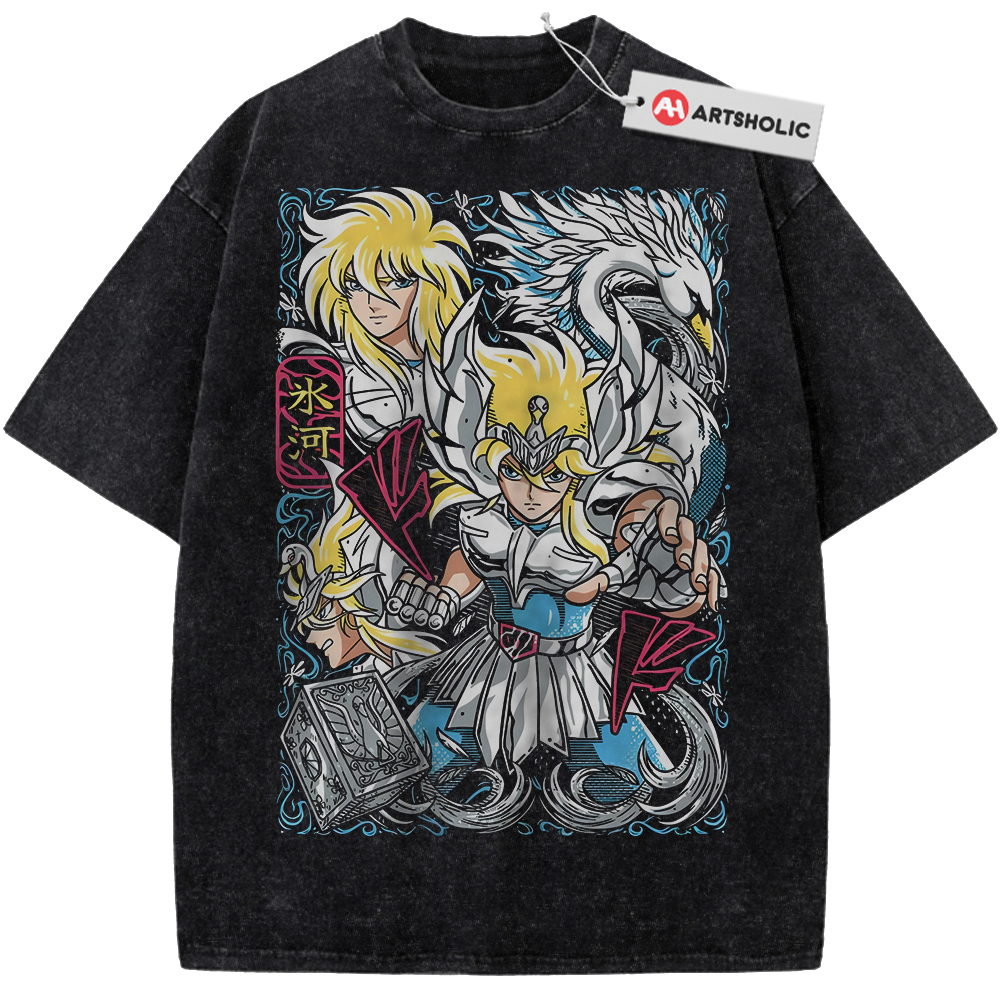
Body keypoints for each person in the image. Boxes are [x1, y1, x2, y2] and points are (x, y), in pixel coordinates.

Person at [280, 188, 473, 450]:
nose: (373, 303)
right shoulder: (329, 371)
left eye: (395, 282)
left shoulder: (463, 368)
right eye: (355, 286)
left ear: (428, 285)